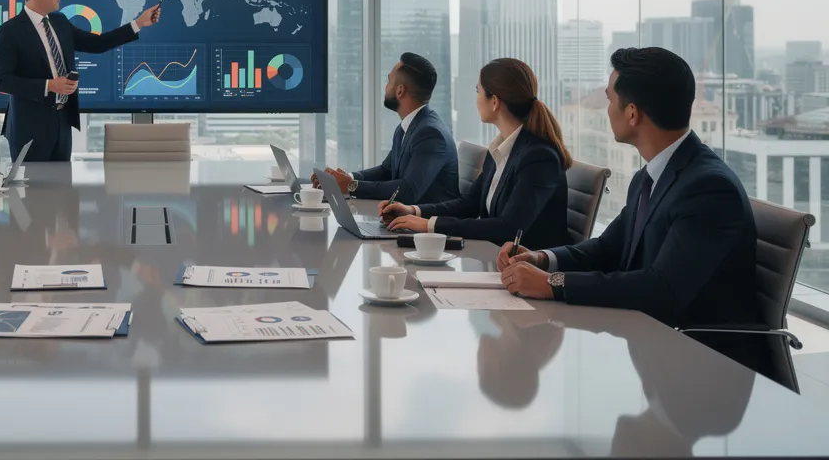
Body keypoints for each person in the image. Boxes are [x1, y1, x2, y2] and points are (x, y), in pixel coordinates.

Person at [499, 47, 763, 367]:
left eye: (610, 100)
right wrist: (543, 259)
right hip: (651, 345)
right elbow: (607, 249)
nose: (607, 109)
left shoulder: (708, 188)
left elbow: (662, 289)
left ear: (632, 113)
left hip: (703, 363)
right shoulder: (648, 178)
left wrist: (552, 284)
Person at [383, 57, 570, 249]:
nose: (476, 99)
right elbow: (469, 204)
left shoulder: (539, 158)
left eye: (478, 91)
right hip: (492, 254)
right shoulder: (500, 148)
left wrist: (430, 226)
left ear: (494, 101)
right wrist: (414, 211)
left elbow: (508, 228)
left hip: (522, 263)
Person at [0, 0, 162, 161]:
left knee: (63, 180)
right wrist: (49, 85)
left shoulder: (59, 22)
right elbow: (2, 81)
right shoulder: (10, 31)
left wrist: (139, 23)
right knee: (32, 182)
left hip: (62, 123)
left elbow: (97, 44)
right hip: (29, 129)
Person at [313, 52, 458, 204]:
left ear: (400, 91)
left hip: (426, 218)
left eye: (389, 80)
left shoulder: (431, 134)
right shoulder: (407, 127)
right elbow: (387, 171)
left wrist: (350, 186)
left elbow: (409, 191)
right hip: (402, 214)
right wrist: (346, 178)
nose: (386, 86)